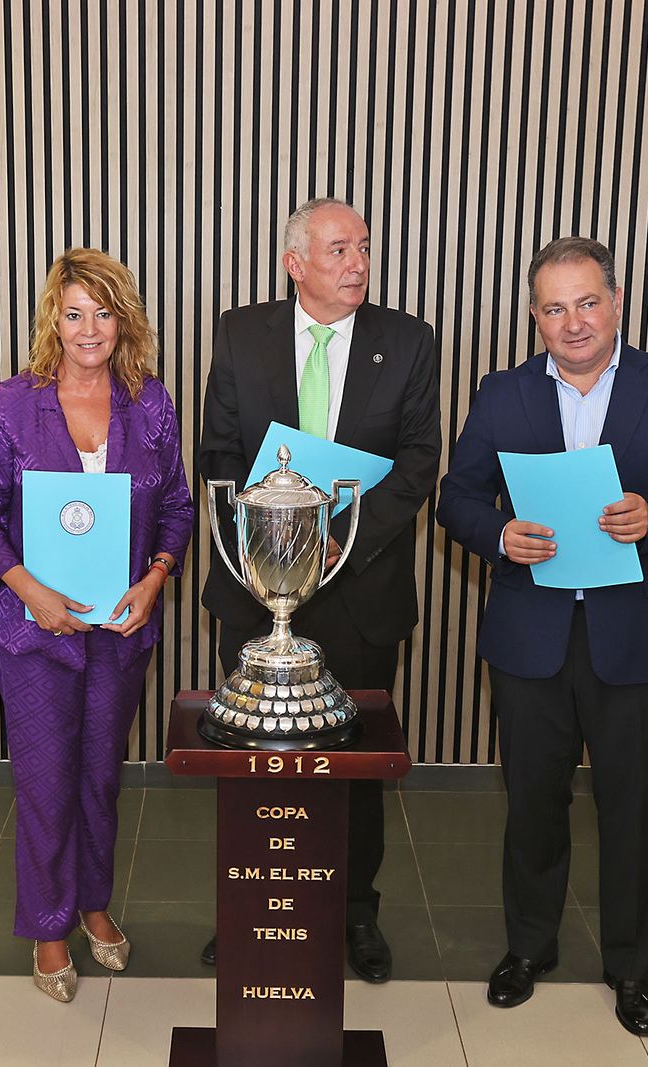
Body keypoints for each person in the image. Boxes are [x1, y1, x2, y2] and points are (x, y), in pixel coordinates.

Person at [436, 237, 648, 1035]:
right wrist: (500, 534)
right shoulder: (501, 394)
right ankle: (528, 947)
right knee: (533, 801)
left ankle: (631, 967)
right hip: (531, 636)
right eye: (555, 306)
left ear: (617, 301)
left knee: (633, 806)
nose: (573, 321)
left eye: (587, 301)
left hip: (636, 641)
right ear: (534, 316)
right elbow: (456, 496)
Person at [197, 197, 442, 982]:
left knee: (356, 763)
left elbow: (416, 464)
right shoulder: (241, 333)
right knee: (253, 763)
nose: (358, 264)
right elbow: (220, 455)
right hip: (254, 592)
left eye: (364, 248)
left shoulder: (407, 341)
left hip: (362, 587)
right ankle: (248, 904)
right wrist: (276, 542)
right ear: (294, 262)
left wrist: (341, 542)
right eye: (339, 250)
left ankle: (355, 913)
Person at [0, 248, 194, 1002]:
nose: (89, 328)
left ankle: (95, 903)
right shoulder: (13, 403)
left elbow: (179, 509)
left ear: (123, 319)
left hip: (119, 631)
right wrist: (31, 589)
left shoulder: (150, 402)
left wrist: (157, 576)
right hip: (36, 632)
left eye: (103, 311)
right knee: (44, 781)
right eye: (74, 313)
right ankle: (50, 928)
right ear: (52, 321)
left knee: (100, 776)